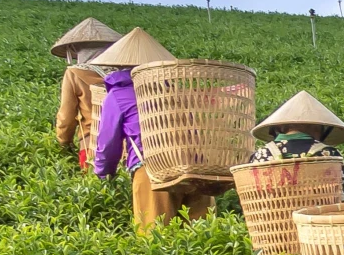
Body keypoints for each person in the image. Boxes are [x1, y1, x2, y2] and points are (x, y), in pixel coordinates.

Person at [90, 28, 221, 232]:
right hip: (195, 170)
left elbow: (108, 143)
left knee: (155, 240)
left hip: (152, 171)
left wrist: (104, 172)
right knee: (201, 242)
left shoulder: (118, 95)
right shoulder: (176, 91)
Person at [50, 17, 121, 171]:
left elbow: (66, 117)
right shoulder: (123, 73)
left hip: (91, 146)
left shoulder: (74, 73)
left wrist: (64, 143)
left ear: (77, 50)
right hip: (125, 146)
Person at [249, 91, 344, 189]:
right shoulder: (329, 154)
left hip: (270, 209)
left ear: (279, 127)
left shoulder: (261, 154)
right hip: (317, 209)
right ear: (315, 127)